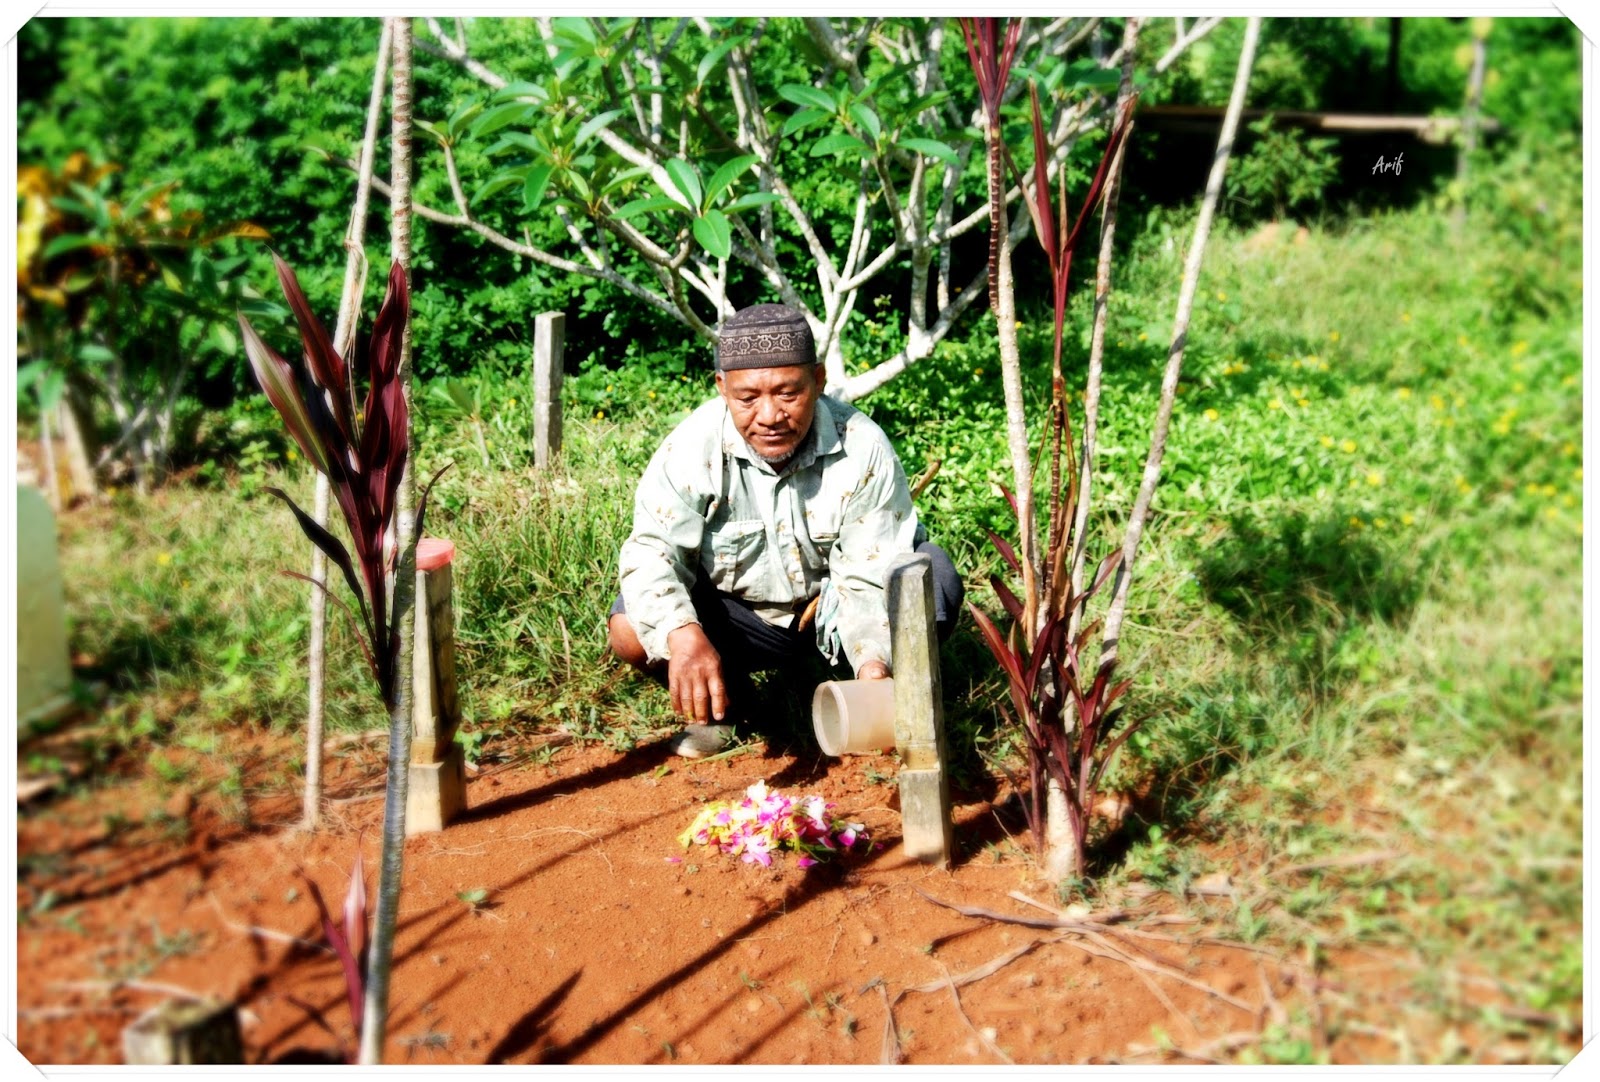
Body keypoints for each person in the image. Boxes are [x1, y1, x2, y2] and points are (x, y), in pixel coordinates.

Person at [607, 302, 964, 757]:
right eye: (748, 398)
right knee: (630, 626)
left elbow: (869, 571)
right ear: (722, 387)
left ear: (818, 380)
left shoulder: (861, 445)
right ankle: (729, 708)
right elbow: (652, 553)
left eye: (788, 393)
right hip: (742, 620)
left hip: (834, 612)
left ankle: (897, 703)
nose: (770, 415)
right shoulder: (692, 447)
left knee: (932, 575)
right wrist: (683, 636)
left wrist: (874, 665)